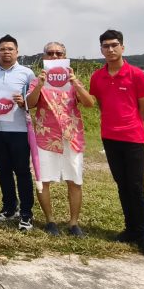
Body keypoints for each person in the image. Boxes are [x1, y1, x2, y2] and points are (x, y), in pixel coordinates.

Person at [86, 29, 144, 259]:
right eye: (106, 46)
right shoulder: (97, 77)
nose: (110, 49)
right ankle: (130, 228)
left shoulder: (136, 74)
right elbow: (100, 103)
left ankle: (143, 235)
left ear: (123, 48)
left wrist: (135, 124)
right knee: (121, 184)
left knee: (136, 186)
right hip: (110, 136)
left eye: (114, 45)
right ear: (101, 50)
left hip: (133, 137)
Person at [26, 41, 93, 238]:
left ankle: (73, 223)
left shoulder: (72, 79)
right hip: (46, 137)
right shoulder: (37, 81)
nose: (55, 56)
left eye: (59, 53)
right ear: (45, 56)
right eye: (51, 53)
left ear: (65, 56)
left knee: (75, 180)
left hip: (71, 137)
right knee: (43, 180)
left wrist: (75, 84)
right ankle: (50, 220)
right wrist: (39, 84)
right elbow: (29, 103)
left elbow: (89, 103)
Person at [0, 35, 37, 231]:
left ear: (17, 52)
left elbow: (35, 101)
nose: (7, 52)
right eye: (3, 49)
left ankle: (26, 214)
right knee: (3, 170)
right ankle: (9, 208)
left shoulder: (27, 73)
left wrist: (25, 103)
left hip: (19, 130)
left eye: (10, 49)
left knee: (22, 171)